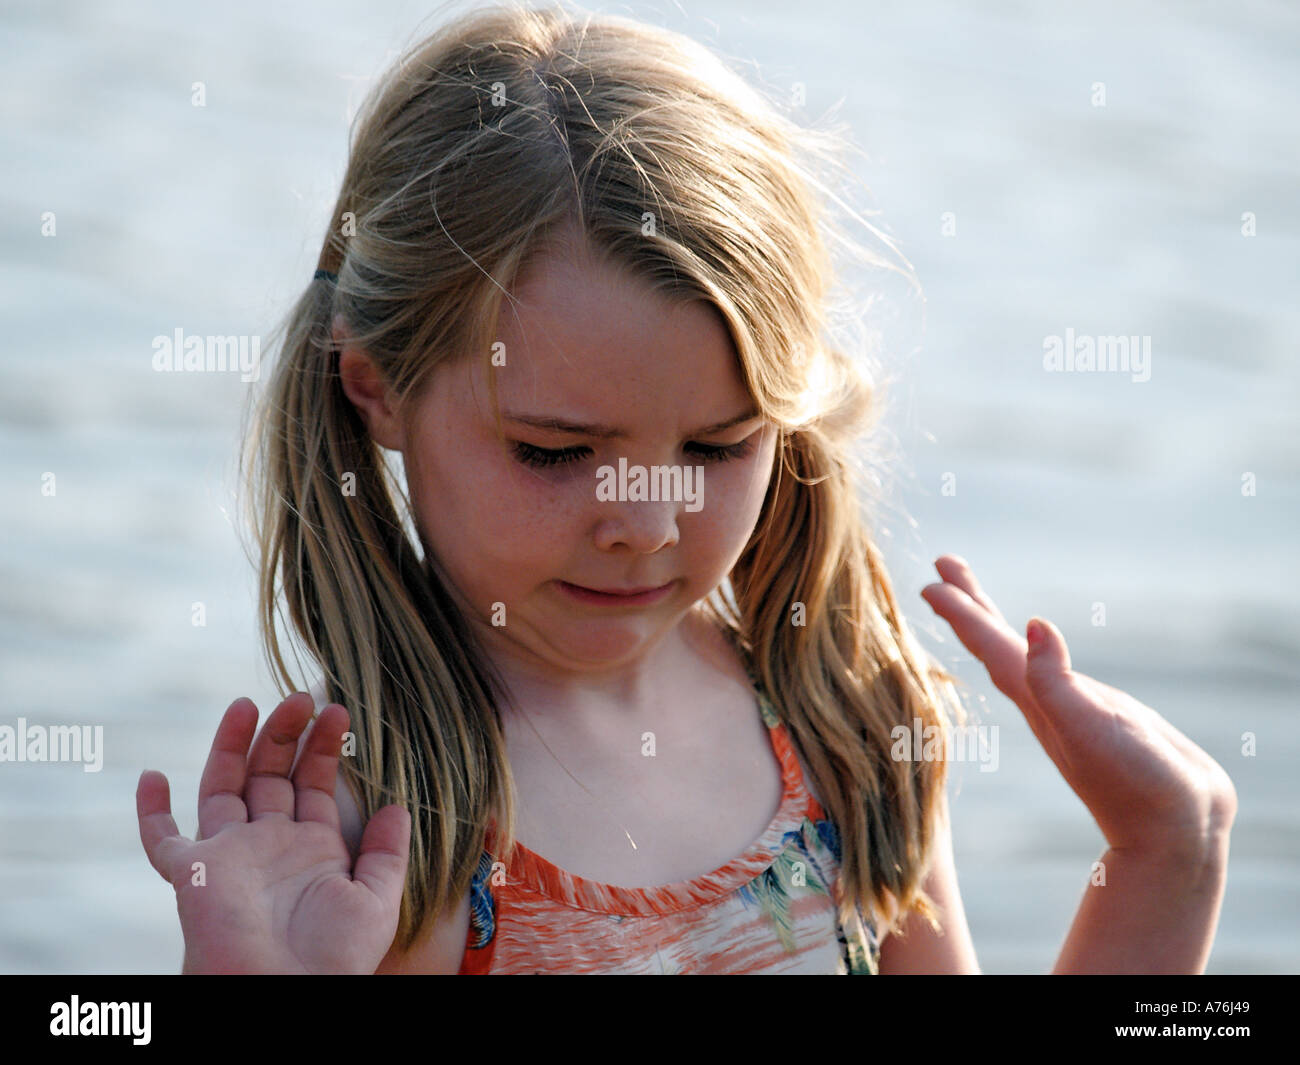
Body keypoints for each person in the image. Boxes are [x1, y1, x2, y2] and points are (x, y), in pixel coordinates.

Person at [135, 1, 1236, 974]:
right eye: (557, 453)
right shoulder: (378, 833)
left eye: (716, 446)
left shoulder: (840, 728)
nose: (648, 526)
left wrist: (1162, 855)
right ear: (374, 387)